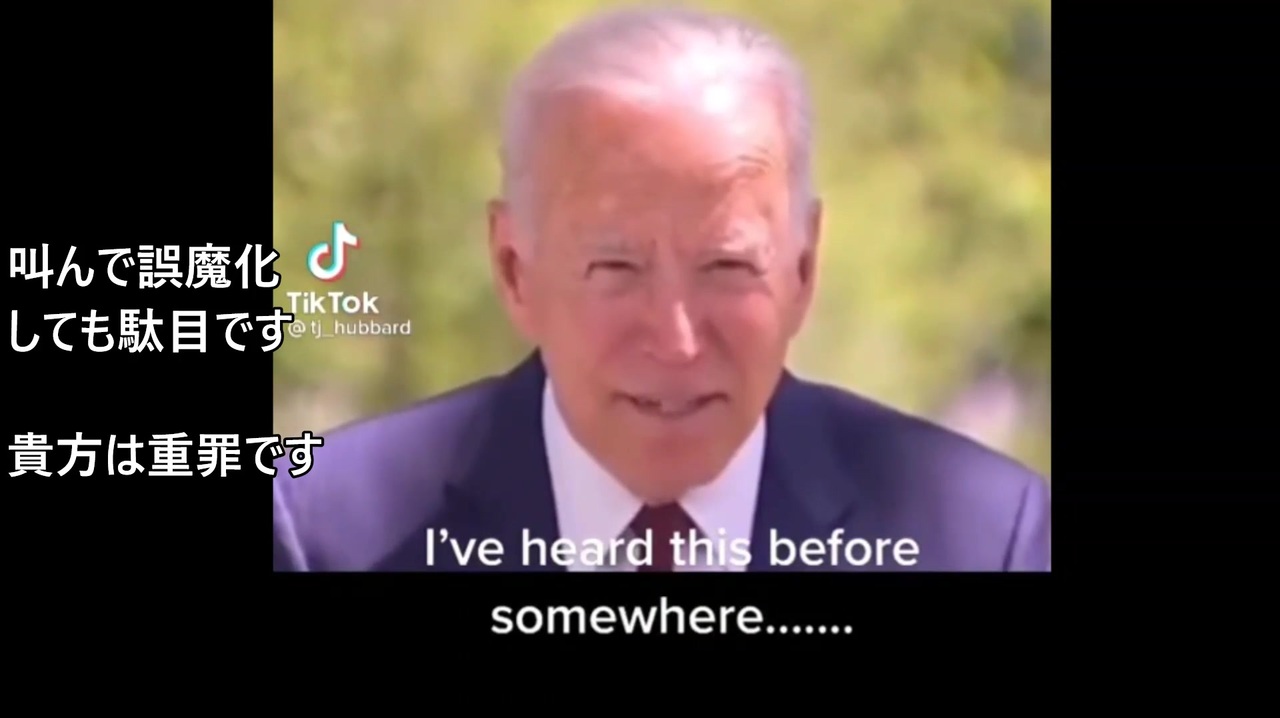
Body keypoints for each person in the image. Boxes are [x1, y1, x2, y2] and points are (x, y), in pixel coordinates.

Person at [272, 6, 1050, 572]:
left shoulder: (984, 540)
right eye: (616, 270)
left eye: (728, 268)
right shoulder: (325, 533)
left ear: (804, 269)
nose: (677, 340)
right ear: (514, 269)